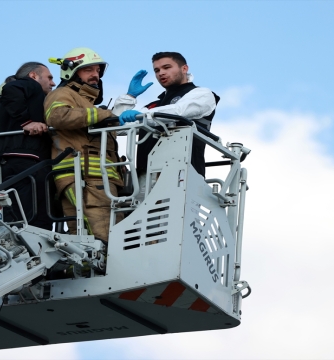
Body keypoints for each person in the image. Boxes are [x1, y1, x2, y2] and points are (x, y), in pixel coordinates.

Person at [44, 47, 123, 242]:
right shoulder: (63, 93)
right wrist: (104, 115)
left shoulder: (88, 104)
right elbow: (57, 116)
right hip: (84, 177)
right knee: (105, 237)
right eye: (89, 70)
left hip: (95, 178)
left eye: (97, 71)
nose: (95, 75)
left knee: (83, 240)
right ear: (71, 71)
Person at [113, 52, 220, 181]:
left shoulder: (202, 94)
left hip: (182, 175)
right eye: (157, 70)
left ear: (184, 68)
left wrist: (143, 116)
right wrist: (129, 98)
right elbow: (117, 129)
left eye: (167, 67)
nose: (161, 73)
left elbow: (179, 111)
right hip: (145, 177)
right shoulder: (153, 107)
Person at [0, 62, 56, 230]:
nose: (53, 83)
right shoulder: (27, 84)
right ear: (33, 75)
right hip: (18, 159)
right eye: (49, 78)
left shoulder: (33, 96)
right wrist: (27, 122)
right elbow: (11, 90)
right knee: (24, 218)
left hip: (23, 160)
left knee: (33, 215)